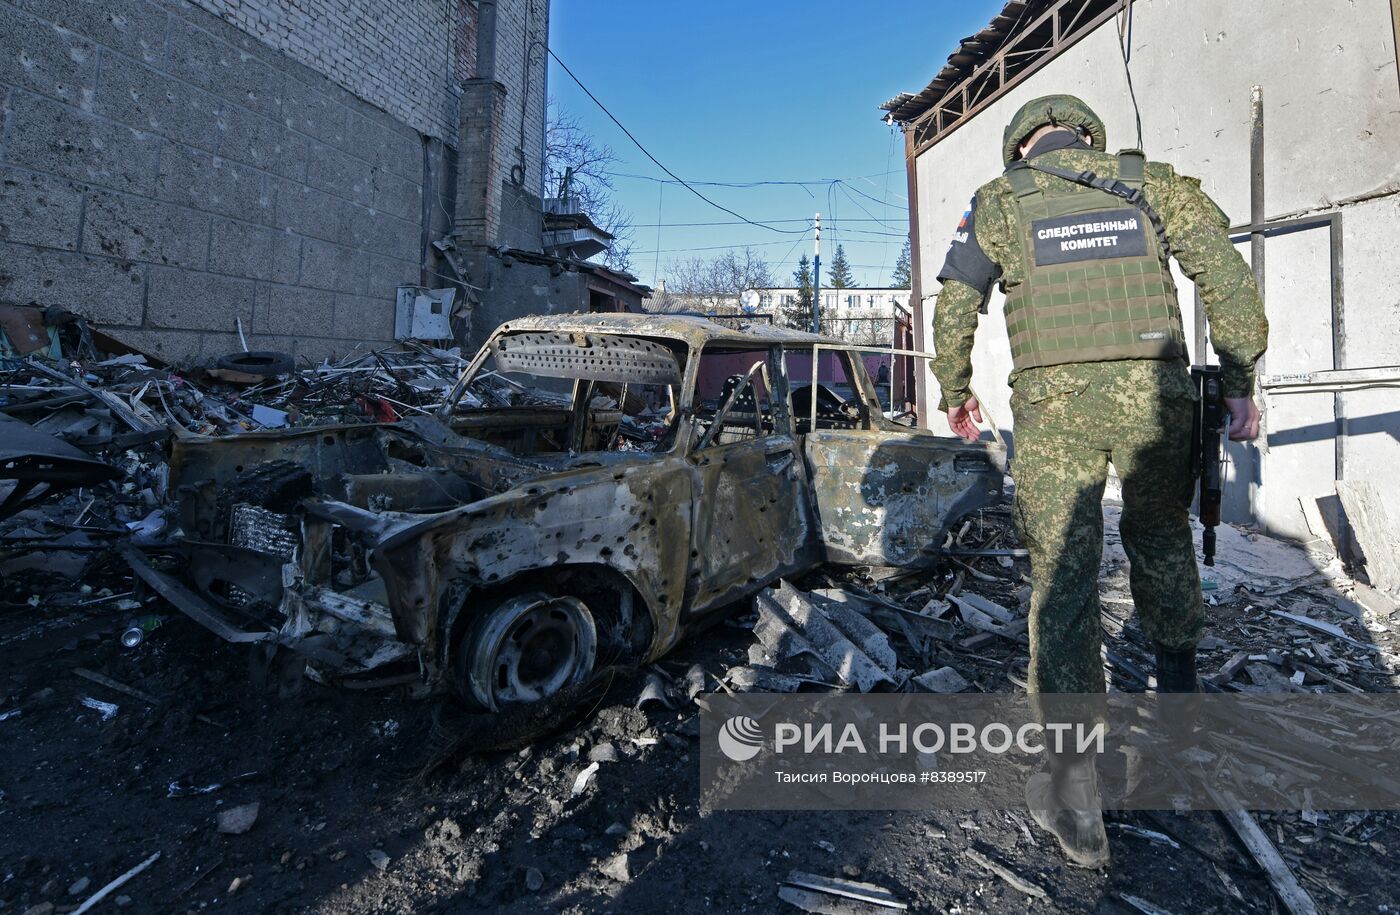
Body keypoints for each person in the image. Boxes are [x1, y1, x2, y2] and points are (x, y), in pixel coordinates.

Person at [929, 94, 1268, 867]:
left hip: (1055, 410)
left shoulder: (1000, 201)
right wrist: (1243, 375)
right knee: (1161, 541)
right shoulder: (1151, 183)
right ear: (1088, 137)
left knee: (1065, 579)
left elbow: (955, 305)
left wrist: (953, 389)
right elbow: (1223, 269)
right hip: (1157, 400)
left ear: (1022, 148)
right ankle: (1182, 725)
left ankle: (1077, 798)